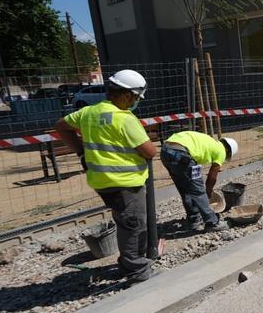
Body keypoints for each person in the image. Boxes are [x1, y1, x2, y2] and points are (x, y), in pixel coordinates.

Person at [54, 70, 158, 282]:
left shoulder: (88, 113)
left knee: (124, 221)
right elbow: (150, 151)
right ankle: (136, 270)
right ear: (127, 95)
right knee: (133, 225)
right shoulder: (124, 119)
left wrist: (80, 151)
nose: (135, 103)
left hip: (101, 182)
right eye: (136, 98)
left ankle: (130, 263)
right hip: (126, 183)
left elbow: (61, 126)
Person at [160, 131, 239, 231]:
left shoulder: (210, 141)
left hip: (165, 150)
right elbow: (212, 177)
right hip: (182, 154)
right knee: (198, 190)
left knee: (185, 188)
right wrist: (208, 192)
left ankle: (194, 220)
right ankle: (212, 222)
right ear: (229, 151)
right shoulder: (221, 151)